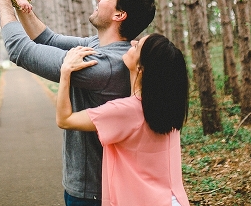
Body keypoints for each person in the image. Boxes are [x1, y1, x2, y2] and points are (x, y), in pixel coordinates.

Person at [0, 0, 156, 206]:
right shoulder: (101, 46)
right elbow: (47, 39)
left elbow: (20, 51)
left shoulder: (103, 64)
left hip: (93, 192)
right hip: (89, 188)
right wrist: (19, 1)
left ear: (119, 15)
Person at [57, 34, 191, 206]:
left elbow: (65, 119)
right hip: (173, 200)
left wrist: (65, 71)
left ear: (141, 69)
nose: (132, 42)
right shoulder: (169, 107)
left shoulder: (126, 111)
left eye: (137, 46)